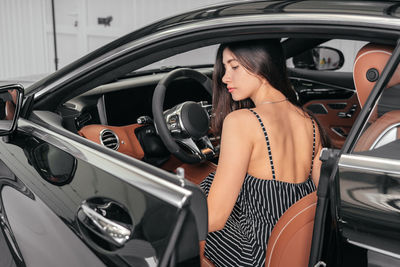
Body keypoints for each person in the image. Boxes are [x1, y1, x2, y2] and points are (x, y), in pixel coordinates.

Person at [199, 39, 326, 267]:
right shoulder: (311, 122)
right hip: (295, 249)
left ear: (261, 63)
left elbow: (215, 219)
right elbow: (322, 199)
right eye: (225, 69)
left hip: (254, 255)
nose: (225, 77)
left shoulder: (241, 121)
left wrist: (165, 216)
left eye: (234, 67)